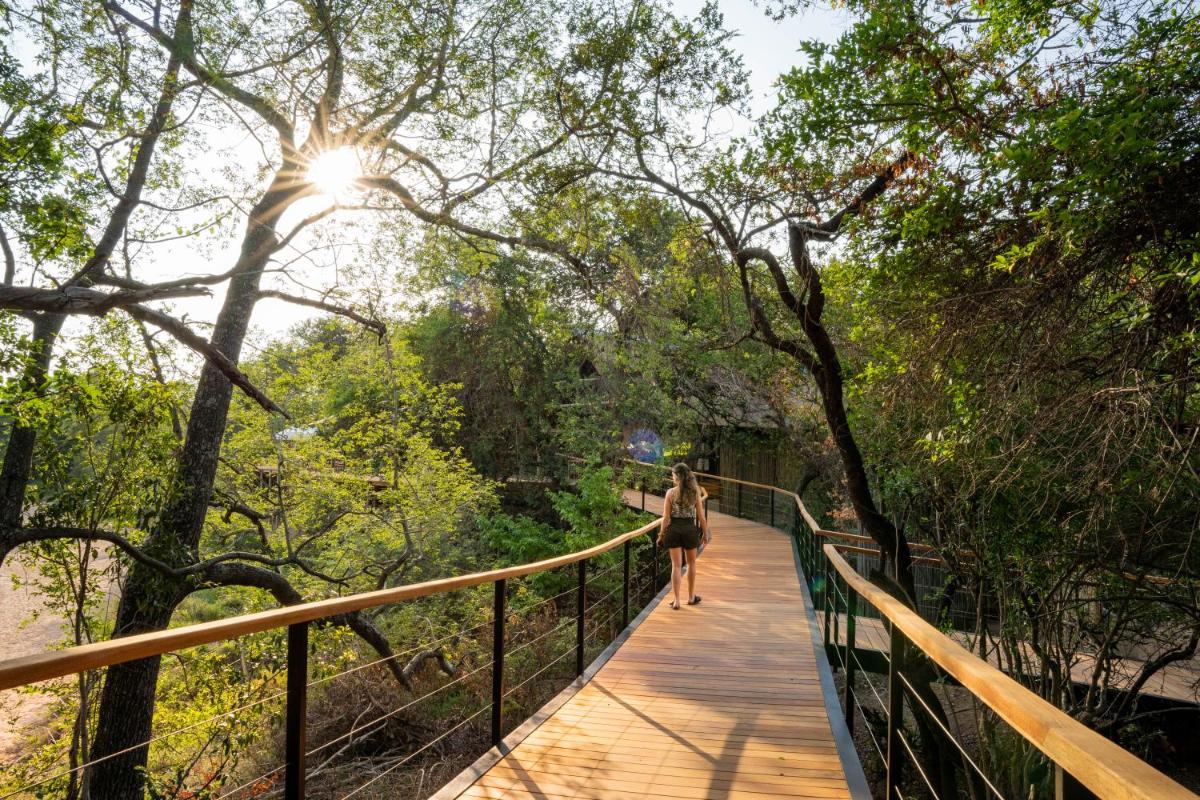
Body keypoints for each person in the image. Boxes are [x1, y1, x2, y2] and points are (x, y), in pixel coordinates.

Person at [658, 462, 712, 609]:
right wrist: (705, 533)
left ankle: (676, 601)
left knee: (676, 566)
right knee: (691, 564)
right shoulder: (695, 492)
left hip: (673, 530)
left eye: (673, 475)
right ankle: (690, 597)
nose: (672, 477)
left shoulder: (670, 493)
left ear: (678, 476)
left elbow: (666, 517)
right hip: (689, 530)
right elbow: (701, 517)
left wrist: (661, 535)